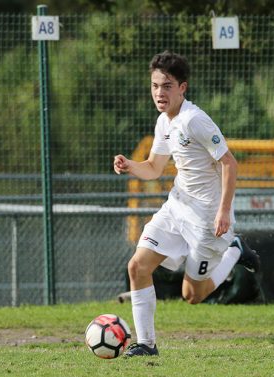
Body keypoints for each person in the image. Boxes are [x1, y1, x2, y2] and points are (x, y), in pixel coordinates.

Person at [113, 51, 256, 357]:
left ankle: (235, 251)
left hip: (205, 219)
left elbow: (230, 164)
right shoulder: (164, 122)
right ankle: (146, 345)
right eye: (154, 86)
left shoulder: (195, 120)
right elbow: (153, 168)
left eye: (166, 86)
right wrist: (130, 165)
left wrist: (223, 212)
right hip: (176, 208)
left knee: (193, 295)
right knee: (137, 267)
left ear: (183, 88)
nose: (159, 93)